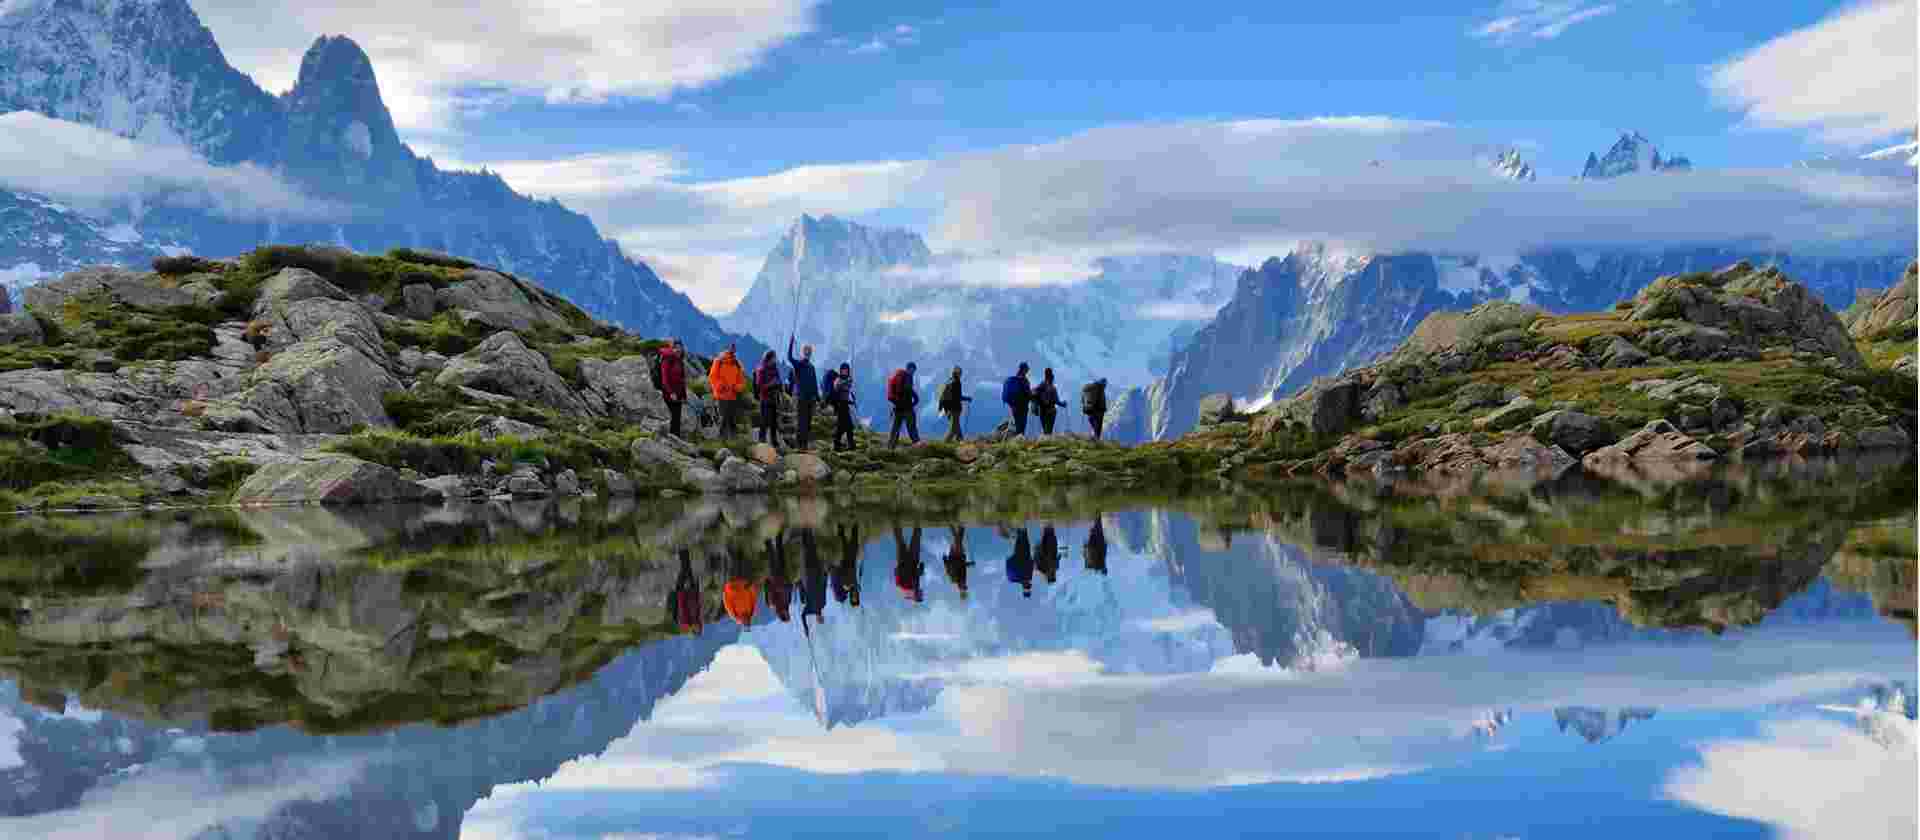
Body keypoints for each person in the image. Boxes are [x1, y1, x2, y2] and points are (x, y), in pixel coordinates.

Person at [708, 344, 746, 438]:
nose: (732, 351)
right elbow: (713, 377)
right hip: (721, 396)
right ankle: (722, 439)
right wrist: (721, 386)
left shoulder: (737, 364)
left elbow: (741, 380)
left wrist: (737, 387)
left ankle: (732, 439)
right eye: (731, 349)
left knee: (731, 419)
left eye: (734, 350)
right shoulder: (718, 361)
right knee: (723, 418)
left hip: (733, 396)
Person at [788, 337, 819, 450]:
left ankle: (804, 445)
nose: (808, 352)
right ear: (803, 352)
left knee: (807, 423)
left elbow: (814, 384)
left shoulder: (811, 367)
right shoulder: (799, 364)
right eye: (806, 350)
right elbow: (789, 358)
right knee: (801, 422)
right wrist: (791, 343)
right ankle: (799, 445)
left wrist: (818, 398)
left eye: (809, 351)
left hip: (810, 399)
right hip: (801, 397)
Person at [655, 339, 690, 438]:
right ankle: (670, 439)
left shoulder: (679, 361)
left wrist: (684, 396)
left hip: (678, 394)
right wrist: (671, 393)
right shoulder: (667, 359)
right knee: (672, 417)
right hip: (669, 394)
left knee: (677, 418)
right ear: (672, 348)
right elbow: (664, 379)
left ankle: (676, 439)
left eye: (680, 348)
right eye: (676, 348)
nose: (678, 350)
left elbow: (682, 380)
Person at [754, 349, 784, 449]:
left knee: (774, 422)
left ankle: (774, 441)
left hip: (774, 398)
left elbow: (779, 380)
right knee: (764, 420)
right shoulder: (761, 369)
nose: (775, 360)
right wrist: (772, 384)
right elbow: (760, 386)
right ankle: (761, 441)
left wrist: (779, 384)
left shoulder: (775, 369)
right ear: (769, 358)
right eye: (774, 358)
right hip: (765, 398)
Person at [886, 362, 920, 448]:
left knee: (896, 428)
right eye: (913, 370)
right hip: (906, 406)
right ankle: (918, 445)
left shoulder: (899, 376)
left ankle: (890, 447)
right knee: (911, 427)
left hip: (897, 406)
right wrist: (915, 398)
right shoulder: (907, 376)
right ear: (909, 369)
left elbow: (901, 390)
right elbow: (908, 389)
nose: (913, 372)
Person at [722, 549, 757, 631]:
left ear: (742, 623)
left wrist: (729, 588)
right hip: (744, 581)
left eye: (745, 623)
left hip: (732, 583)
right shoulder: (752, 611)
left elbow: (726, 601)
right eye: (748, 623)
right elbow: (753, 596)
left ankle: (730, 548)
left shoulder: (734, 615)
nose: (747, 621)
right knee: (742, 561)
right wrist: (750, 586)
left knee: (732, 562)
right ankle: (739, 548)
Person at [668, 549, 703, 632]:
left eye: (696, 628)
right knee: (688, 569)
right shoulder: (698, 618)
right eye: (699, 627)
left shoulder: (686, 623)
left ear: (693, 629)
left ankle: (682, 551)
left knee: (684, 570)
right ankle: (684, 551)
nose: (697, 626)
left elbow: (682, 607)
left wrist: (682, 592)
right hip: (692, 590)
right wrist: (697, 588)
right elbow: (698, 603)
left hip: (683, 591)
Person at [826, 362, 857, 451]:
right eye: (843, 370)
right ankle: (848, 445)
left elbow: (846, 391)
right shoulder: (838, 379)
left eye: (846, 370)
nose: (845, 371)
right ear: (841, 370)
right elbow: (836, 387)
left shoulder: (847, 380)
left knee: (843, 426)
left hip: (845, 404)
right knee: (847, 426)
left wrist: (850, 401)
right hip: (839, 405)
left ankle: (840, 444)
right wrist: (846, 382)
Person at [799, 528, 828, 625]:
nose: (820, 617)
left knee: (805, 550)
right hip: (818, 572)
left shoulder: (810, 609)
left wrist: (806, 629)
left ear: (816, 618)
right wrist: (825, 575)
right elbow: (823, 588)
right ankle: (809, 529)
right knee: (812, 548)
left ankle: (803, 529)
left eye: (819, 619)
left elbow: (803, 616)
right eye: (821, 618)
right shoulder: (823, 604)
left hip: (808, 576)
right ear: (823, 616)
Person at [764, 531, 793, 623]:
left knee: (771, 556)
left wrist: (781, 587)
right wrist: (789, 585)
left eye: (787, 616)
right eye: (789, 615)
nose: (788, 614)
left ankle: (767, 535)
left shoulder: (775, 605)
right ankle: (778, 534)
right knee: (781, 553)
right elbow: (789, 591)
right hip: (784, 575)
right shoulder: (787, 603)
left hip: (775, 577)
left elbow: (771, 590)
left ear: (783, 615)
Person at [938, 367, 973, 442]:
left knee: (956, 426)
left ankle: (960, 440)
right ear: (958, 373)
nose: (961, 375)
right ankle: (945, 443)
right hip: (955, 408)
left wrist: (941, 408)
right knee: (953, 428)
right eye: (960, 373)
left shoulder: (948, 381)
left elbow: (943, 395)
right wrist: (967, 398)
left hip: (947, 408)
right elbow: (957, 396)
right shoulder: (956, 382)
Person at [833, 523, 863, 607]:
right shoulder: (857, 586)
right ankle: (853, 518)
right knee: (855, 532)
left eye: (853, 597)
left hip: (844, 557)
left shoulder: (846, 587)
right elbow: (858, 570)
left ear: (850, 597)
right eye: (856, 597)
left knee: (841, 534)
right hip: (853, 556)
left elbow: (839, 574)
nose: (854, 595)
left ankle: (840, 520)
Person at [893, 525, 924, 603]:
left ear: (915, 595)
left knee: (910, 539)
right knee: (902, 540)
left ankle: (896, 523)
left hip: (907, 560)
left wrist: (920, 570)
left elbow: (914, 574)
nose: (921, 593)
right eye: (921, 594)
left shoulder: (908, 587)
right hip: (907, 560)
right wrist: (920, 570)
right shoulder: (912, 587)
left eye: (920, 594)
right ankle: (896, 523)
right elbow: (915, 574)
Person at [1033, 368, 1069, 436]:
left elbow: (1034, 395)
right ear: (1051, 377)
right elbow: (1056, 401)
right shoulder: (1052, 387)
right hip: (1051, 410)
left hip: (1042, 410)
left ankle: (1046, 438)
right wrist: (1063, 404)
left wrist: (1036, 406)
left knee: (1045, 428)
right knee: (1049, 428)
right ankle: (1048, 439)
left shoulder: (1040, 385)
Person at [1002, 363, 1033, 437]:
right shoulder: (1024, 380)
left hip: (1013, 405)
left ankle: (1016, 437)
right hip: (1023, 406)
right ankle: (1019, 438)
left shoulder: (1013, 380)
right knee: (1021, 424)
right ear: (1024, 369)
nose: (1027, 371)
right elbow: (1028, 394)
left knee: (1016, 423)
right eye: (1027, 369)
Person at [943, 524, 973, 599]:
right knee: (958, 538)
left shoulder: (956, 580)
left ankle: (953, 524)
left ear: (961, 591)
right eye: (966, 588)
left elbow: (954, 567)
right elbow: (961, 567)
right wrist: (969, 564)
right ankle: (959, 525)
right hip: (958, 556)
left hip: (956, 556)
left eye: (964, 590)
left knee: (957, 539)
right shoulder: (961, 580)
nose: (965, 587)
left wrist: (969, 564)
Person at [1005, 527, 1033, 598]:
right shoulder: (1013, 578)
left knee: (1022, 534)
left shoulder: (1028, 577)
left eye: (1027, 586)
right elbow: (1008, 563)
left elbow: (1031, 563)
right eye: (1028, 586)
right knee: (1021, 536)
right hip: (1019, 552)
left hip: (1024, 552)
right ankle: (1017, 525)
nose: (1028, 584)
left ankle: (1018, 525)